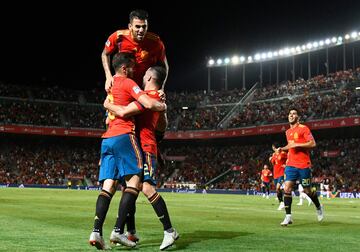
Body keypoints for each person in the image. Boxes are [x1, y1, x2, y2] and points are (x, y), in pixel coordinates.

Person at [89, 52, 166, 250]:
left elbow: (108, 117)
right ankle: (118, 230)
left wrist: (108, 105)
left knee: (109, 185)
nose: (134, 71)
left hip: (107, 139)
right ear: (124, 68)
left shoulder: (110, 87)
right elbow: (148, 103)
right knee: (135, 182)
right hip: (124, 136)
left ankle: (96, 232)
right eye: (132, 67)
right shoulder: (127, 83)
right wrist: (162, 105)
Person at [104, 66, 179, 250]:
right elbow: (160, 127)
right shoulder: (150, 96)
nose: (142, 74)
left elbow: (124, 112)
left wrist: (107, 105)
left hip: (145, 146)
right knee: (131, 187)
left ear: (151, 77)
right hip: (136, 146)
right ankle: (124, 231)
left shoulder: (151, 96)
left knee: (145, 187)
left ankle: (169, 231)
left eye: (145, 73)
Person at [102, 9, 169, 92]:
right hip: (124, 86)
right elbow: (105, 54)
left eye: (144, 26)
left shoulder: (156, 42)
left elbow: (165, 66)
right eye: (137, 26)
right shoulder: (118, 37)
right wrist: (108, 76)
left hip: (145, 88)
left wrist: (161, 88)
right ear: (130, 26)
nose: (141, 30)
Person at [277, 108, 323, 226]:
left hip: (303, 164)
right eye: (290, 114)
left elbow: (312, 143)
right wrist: (282, 148)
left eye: (294, 114)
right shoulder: (287, 132)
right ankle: (288, 217)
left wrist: (298, 144)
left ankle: (318, 206)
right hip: (291, 164)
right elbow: (290, 145)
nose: (291, 115)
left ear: (298, 117)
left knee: (307, 190)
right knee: (287, 189)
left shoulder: (304, 128)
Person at [269, 144, 287, 210]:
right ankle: (282, 203)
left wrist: (286, 165)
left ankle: (282, 203)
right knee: (278, 189)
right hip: (275, 174)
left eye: (273, 147)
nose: (273, 148)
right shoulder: (274, 155)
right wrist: (270, 159)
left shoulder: (283, 153)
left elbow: (290, 158)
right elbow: (273, 163)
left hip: (282, 173)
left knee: (278, 187)